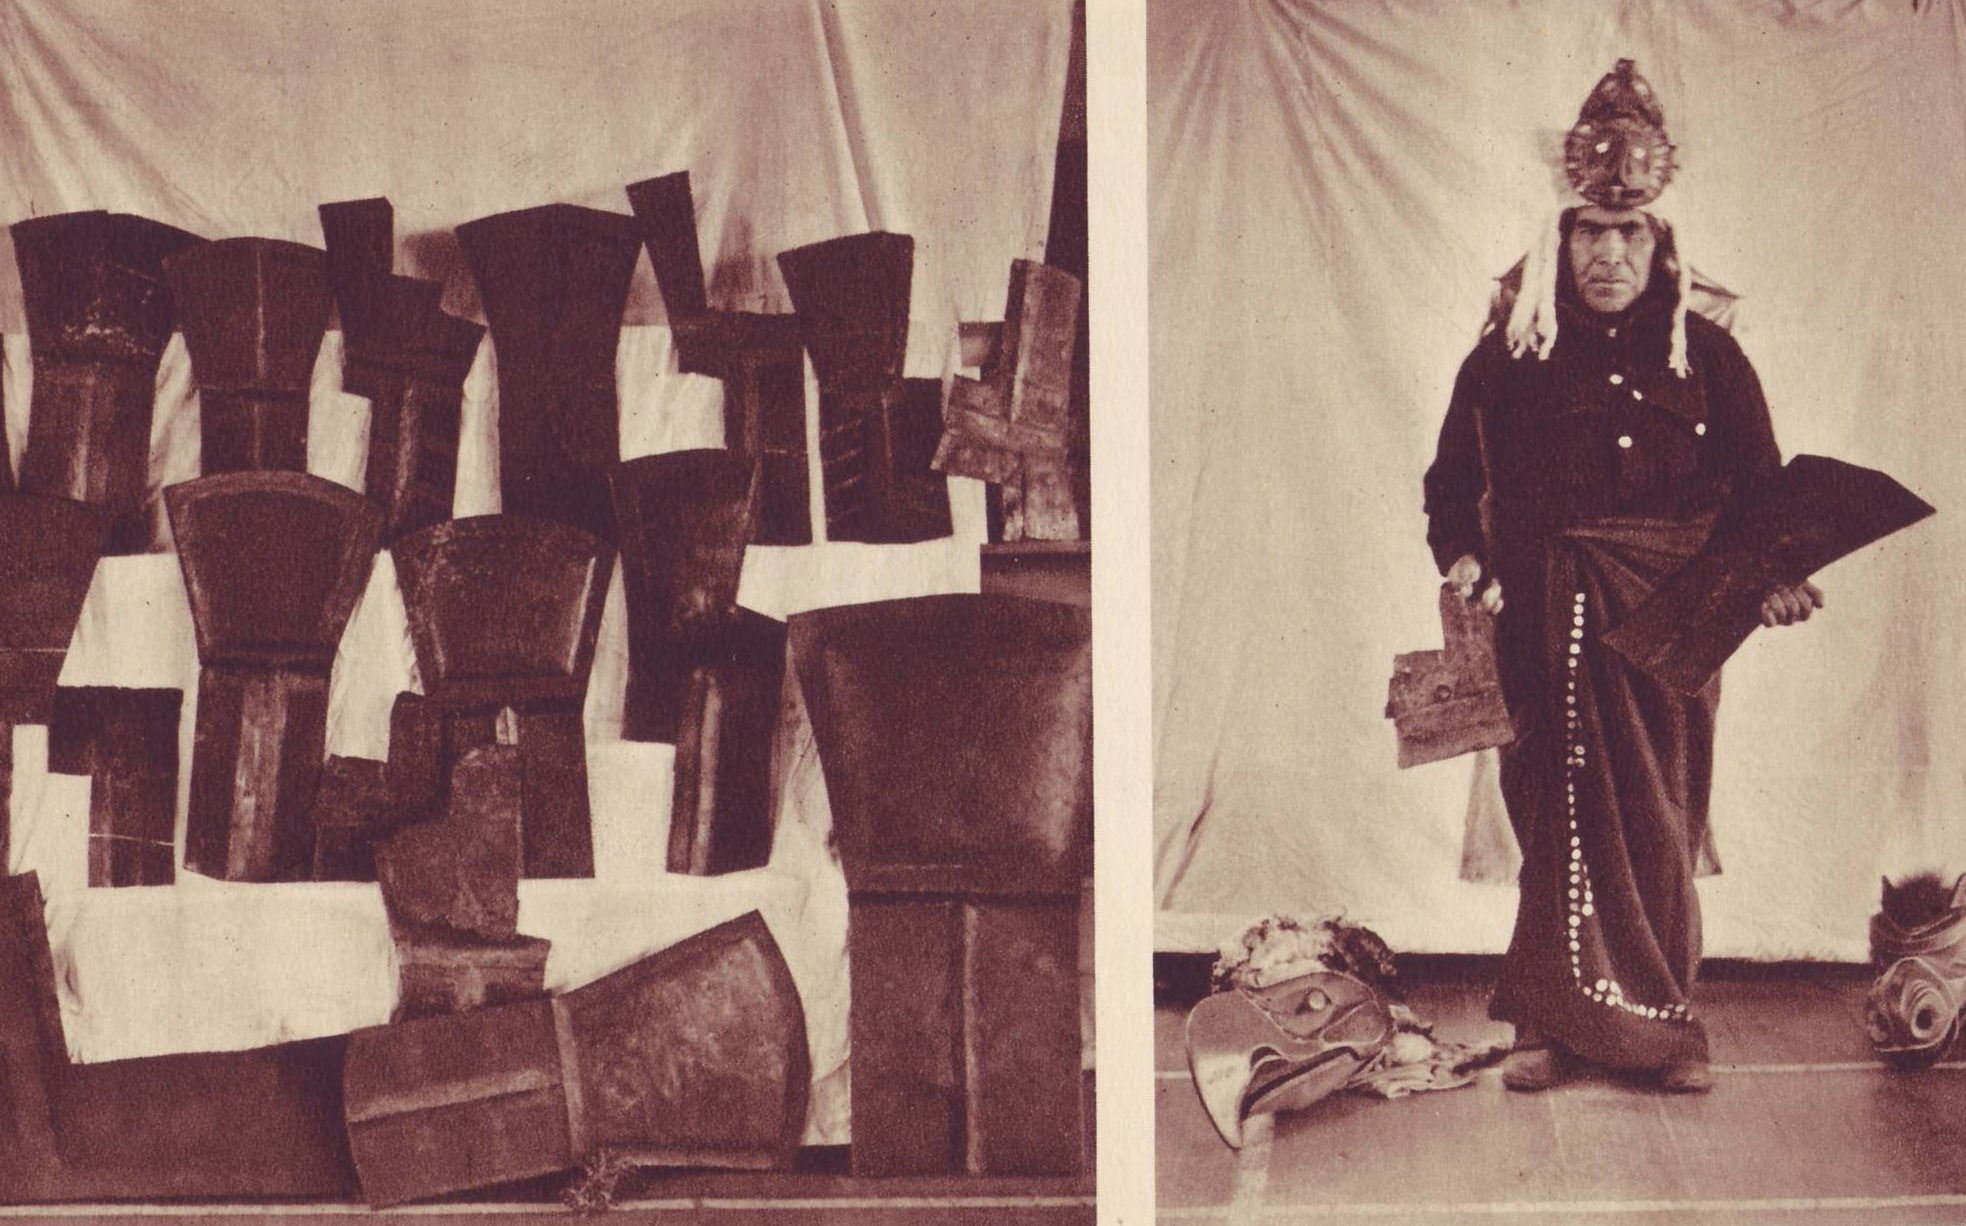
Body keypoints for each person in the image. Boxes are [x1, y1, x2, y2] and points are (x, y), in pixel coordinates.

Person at [1422, 60, 1822, 1095]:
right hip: (1537, 622)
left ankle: (1663, 1027)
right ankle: (1551, 1028)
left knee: (1659, 818)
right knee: (1551, 817)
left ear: (1661, 241)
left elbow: (1762, 494)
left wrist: (1772, 577)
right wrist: (1463, 562)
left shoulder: (1710, 360)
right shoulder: (1510, 351)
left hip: (1672, 626)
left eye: (1628, 231)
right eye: (1588, 232)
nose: (1607, 252)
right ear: (1559, 241)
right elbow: (1452, 482)